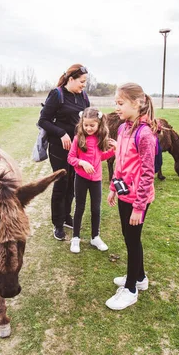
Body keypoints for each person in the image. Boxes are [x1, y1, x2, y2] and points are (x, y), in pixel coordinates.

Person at [105, 82, 157, 311]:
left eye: (120, 103)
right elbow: (119, 161)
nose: (116, 107)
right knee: (129, 237)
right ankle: (140, 277)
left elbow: (147, 173)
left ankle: (130, 289)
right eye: (115, 103)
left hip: (137, 199)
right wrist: (113, 187)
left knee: (132, 240)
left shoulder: (145, 134)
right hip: (124, 194)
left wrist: (139, 206)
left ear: (137, 104)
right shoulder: (123, 129)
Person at [38, 64, 90, 241]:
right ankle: (57, 224)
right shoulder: (57, 94)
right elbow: (43, 120)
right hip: (59, 149)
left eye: (85, 82)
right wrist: (61, 133)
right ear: (71, 79)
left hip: (77, 149)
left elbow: (87, 118)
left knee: (73, 184)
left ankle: (67, 216)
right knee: (61, 184)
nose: (84, 85)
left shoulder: (83, 96)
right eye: (81, 81)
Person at [67, 107, 116, 253]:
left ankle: (95, 237)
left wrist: (114, 150)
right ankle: (75, 238)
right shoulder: (77, 139)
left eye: (92, 125)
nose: (88, 128)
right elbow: (70, 158)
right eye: (86, 125)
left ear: (99, 125)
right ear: (82, 123)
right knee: (79, 208)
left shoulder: (101, 140)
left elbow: (101, 157)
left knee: (96, 209)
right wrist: (82, 163)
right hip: (81, 178)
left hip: (96, 180)